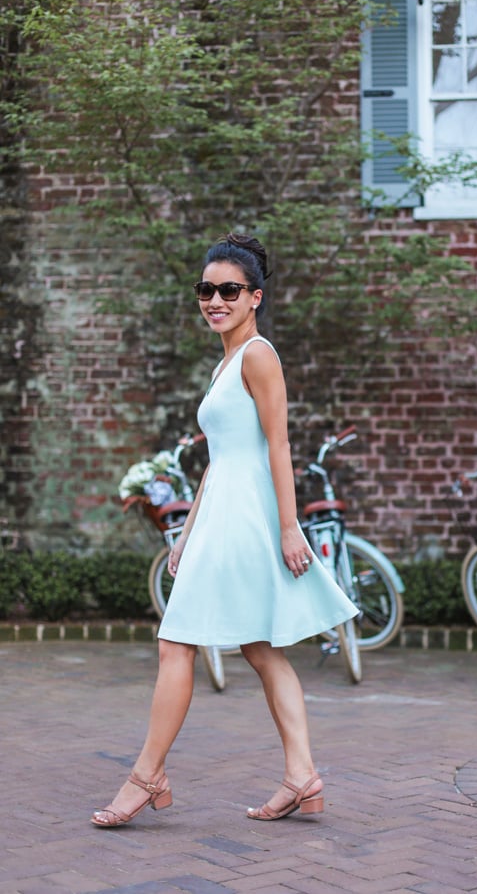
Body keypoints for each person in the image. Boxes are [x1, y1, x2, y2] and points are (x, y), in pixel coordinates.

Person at [91, 233, 358, 828]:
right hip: (221, 513)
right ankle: (301, 776)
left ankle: (146, 776)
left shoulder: (259, 356)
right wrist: (188, 532)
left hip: (245, 516)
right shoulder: (225, 363)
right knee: (260, 647)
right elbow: (220, 458)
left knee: (176, 643)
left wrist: (289, 528)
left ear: (255, 296)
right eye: (206, 290)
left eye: (229, 290)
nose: (215, 300)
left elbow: (278, 445)